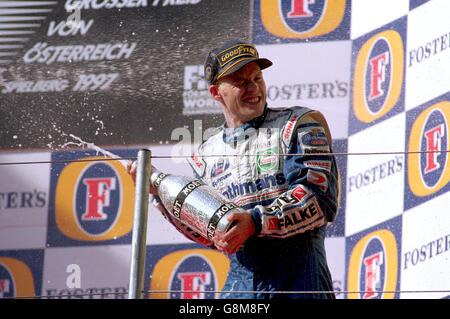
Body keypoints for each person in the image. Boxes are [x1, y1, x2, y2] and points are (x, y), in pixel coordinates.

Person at [128, 39, 339, 299]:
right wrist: (158, 192)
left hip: (301, 281)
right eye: (241, 82)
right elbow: (206, 232)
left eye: (257, 78)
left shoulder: (299, 124)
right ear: (217, 93)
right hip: (241, 287)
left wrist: (255, 222)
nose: (253, 88)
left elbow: (320, 201)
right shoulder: (206, 155)